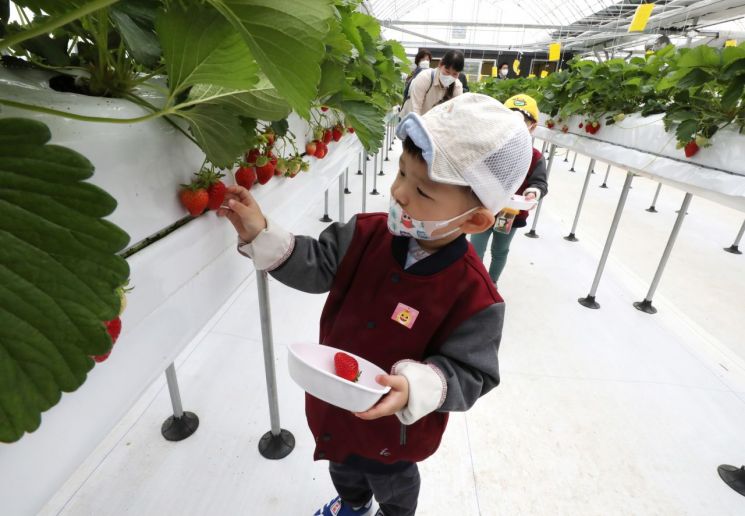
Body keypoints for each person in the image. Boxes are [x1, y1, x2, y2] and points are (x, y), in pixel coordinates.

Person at [218, 93, 532, 516]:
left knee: (394, 483)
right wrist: (261, 233)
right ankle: (353, 504)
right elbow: (316, 264)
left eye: (421, 189)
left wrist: (416, 387)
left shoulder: (476, 297)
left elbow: (472, 373)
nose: (399, 192)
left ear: (475, 220)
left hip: (395, 429)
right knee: (342, 464)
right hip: (336, 402)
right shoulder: (366, 234)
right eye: (401, 172)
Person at [469, 94, 548, 286]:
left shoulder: (535, 157)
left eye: (524, 120)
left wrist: (533, 192)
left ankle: (492, 282)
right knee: (475, 248)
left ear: (533, 126)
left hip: (511, 213)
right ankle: (473, 283)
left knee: (500, 249)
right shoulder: (491, 148)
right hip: (485, 207)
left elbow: (540, 183)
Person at [400, 50, 464, 116]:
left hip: (433, 123)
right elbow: (414, 109)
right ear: (440, 64)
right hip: (412, 119)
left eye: (455, 74)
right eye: (447, 72)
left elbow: (455, 113)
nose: (450, 77)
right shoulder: (424, 78)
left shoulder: (457, 87)